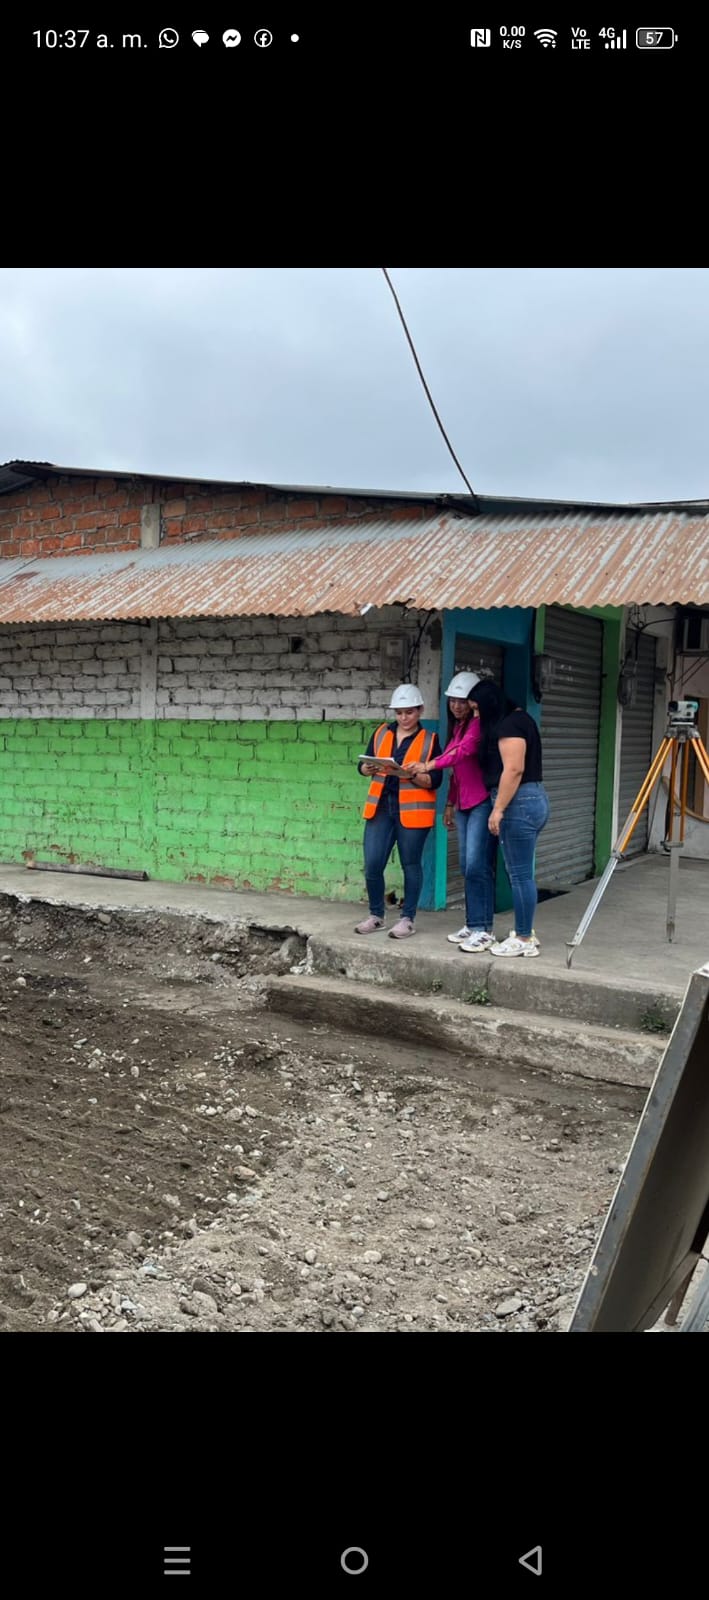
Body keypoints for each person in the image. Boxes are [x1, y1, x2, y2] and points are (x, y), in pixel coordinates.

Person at [410, 671, 499, 952]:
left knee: (477, 865)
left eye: (462, 701)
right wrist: (449, 803)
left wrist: (428, 765)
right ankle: (473, 924)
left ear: (473, 702)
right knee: (466, 865)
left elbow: (461, 752)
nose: (457, 706)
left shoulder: (478, 725)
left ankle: (484, 929)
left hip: (481, 802)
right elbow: (457, 772)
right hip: (463, 804)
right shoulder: (459, 726)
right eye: (453, 701)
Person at [468, 679, 550, 958]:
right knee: (521, 872)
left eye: (477, 710)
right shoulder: (522, 719)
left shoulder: (508, 726)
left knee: (519, 874)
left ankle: (524, 937)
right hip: (532, 799)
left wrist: (498, 808)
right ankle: (526, 932)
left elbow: (514, 769)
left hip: (519, 804)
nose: (475, 716)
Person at [356, 684, 443, 939]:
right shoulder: (382, 732)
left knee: (411, 864)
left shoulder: (430, 740)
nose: (404, 718)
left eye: (409, 712)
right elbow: (363, 764)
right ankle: (376, 915)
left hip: (412, 812)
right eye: (399, 713)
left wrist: (411, 775)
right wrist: (365, 769)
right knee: (373, 863)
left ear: (420, 710)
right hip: (381, 808)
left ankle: (407, 919)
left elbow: (436, 780)